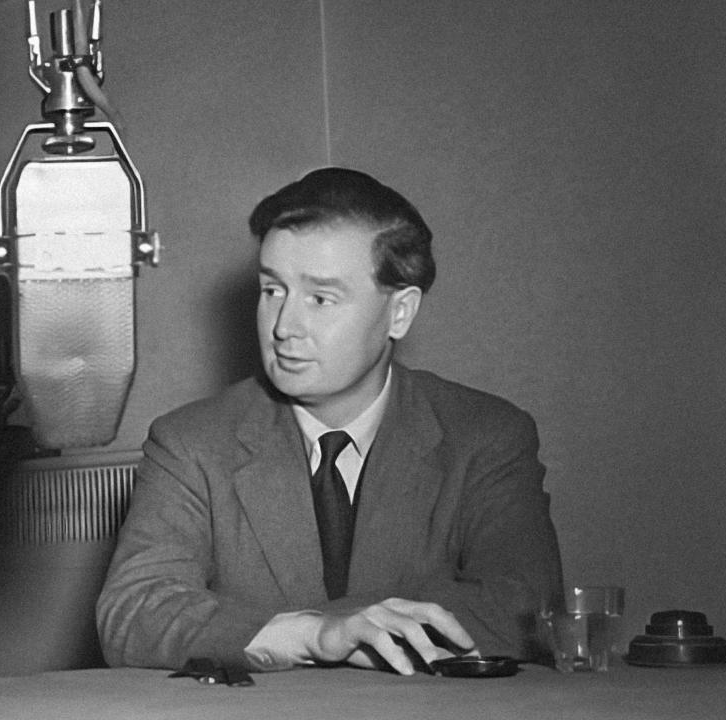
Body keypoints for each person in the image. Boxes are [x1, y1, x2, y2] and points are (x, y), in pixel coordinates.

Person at [96, 167, 562, 676]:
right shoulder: (190, 442)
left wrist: (330, 627)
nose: (284, 327)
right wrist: (316, 634)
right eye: (272, 290)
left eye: (320, 298)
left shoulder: (486, 437)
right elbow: (133, 614)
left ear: (399, 313)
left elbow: (525, 610)